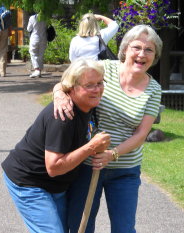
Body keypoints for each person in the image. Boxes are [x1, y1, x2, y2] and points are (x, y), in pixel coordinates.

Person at [53, 25, 163, 233]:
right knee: (81, 226)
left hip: (125, 169)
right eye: (136, 47)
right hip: (87, 164)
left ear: (155, 55)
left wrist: (112, 154)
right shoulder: (104, 68)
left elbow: (141, 134)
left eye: (149, 50)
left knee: (124, 229)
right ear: (125, 49)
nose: (142, 54)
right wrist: (59, 94)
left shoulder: (154, 89)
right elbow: (65, 81)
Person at [2, 58, 111, 233]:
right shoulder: (63, 117)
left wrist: (58, 90)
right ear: (72, 88)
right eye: (89, 85)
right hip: (30, 181)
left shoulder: (90, 103)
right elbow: (54, 167)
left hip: (55, 185)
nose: (97, 89)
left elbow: (62, 85)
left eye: (99, 83)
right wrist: (91, 147)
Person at [27, 13, 47, 78]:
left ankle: (37, 69)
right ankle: (39, 71)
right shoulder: (46, 18)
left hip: (34, 38)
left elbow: (28, 29)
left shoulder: (32, 18)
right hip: (43, 38)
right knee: (41, 54)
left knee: (33, 53)